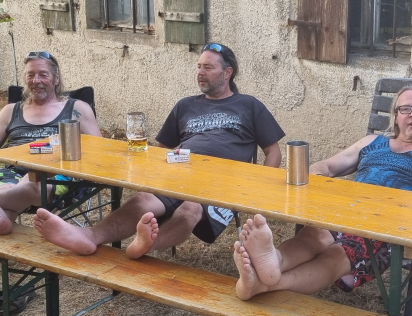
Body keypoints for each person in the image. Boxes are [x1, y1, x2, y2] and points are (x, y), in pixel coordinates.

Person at [33, 42, 285, 259]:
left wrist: (255, 187)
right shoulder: (185, 106)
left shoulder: (248, 105)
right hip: (179, 172)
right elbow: (161, 150)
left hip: (223, 182)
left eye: (208, 67)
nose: (200, 73)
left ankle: (148, 244)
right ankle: (90, 236)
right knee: (143, 200)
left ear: (227, 72)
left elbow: (273, 152)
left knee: (190, 208)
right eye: (198, 66)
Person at [231, 83, 412, 300]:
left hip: (387, 224)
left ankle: (264, 284)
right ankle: (275, 260)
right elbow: (326, 166)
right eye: (406, 109)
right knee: (314, 234)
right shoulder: (372, 142)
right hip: (346, 210)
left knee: (339, 254)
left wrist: (403, 204)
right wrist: (318, 178)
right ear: (396, 116)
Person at [0, 51, 101, 235]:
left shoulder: (77, 108)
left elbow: (100, 151)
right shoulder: (11, 111)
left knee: (33, 182)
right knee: (7, 183)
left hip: (59, 174)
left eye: (43, 74)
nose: (36, 80)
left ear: (56, 78)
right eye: (30, 75)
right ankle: (1, 221)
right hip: (15, 171)